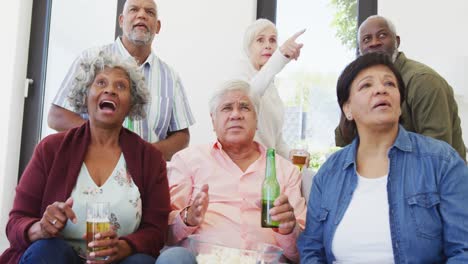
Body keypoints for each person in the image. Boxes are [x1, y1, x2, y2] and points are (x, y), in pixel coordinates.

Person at [0, 52, 171, 264]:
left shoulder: (151, 159)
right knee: (47, 250)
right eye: (100, 82)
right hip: (58, 258)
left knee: (141, 261)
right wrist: (40, 229)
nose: (109, 90)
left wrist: (124, 247)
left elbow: (156, 232)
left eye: (121, 86)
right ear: (85, 96)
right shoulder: (50, 149)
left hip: (119, 261)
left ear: (131, 104)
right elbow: (16, 222)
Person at [298, 53, 468, 263]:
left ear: (399, 104)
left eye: (390, 83)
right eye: (366, 85)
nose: (381, 89)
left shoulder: (442, 162)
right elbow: (312, 250)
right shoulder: (329, 173)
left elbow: (463, 250)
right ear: (347, 109)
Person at [156, 80, 307, 263]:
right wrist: (188, 218)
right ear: (213, 120)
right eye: (227, 108)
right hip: (203, 259)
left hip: (264, 261)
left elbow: (301, 253)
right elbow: (164, 235)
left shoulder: (286, 171)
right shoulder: (187, 161)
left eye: (244, 107)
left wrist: (287, 228)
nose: (236, 114)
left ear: (257, 120)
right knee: (173, 258)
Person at [48, 0, 195, 161]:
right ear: (121, 21)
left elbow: (182, 136)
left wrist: (145, 154)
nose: (141, 15)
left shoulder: (170, 77)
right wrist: (106, 142)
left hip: (145, 174)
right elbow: (57, 117)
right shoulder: (91, 60)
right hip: (90, 166)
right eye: (133, 10)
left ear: (158, 26)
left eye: (149, 12)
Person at [335, 15, 466, 161]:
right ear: (360, 50)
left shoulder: (423, 81)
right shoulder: (357, 85)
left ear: (396, 41)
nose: (374, 43)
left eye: (382, 35)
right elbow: (345, 142)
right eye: (366, 39)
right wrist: (348, 95)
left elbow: (436, 155)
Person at [234, 18, 305, 159]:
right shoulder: (239, 74)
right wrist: (281, 56)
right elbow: (249, 96)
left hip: (267, 166)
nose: (268, 45)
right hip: (244, 164)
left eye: (272, 40)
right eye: (260, 40)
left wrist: (291, 154)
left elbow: (276, 141)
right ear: (248, 47)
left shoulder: (271, 88)